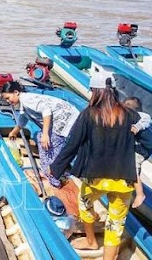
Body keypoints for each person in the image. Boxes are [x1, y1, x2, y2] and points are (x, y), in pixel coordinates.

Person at [50, 71, 137, 259]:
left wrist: (56, 168)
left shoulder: (89, 115)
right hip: (124, 181)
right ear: (113, 91)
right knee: (115, 225)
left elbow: (72, 144)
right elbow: (150, 142)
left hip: (95, 178)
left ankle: (91, 241)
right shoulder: (130, 115)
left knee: (85, 204)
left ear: (96, 92)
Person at [0, 81, 80, 187]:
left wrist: (46, 134)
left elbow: (46, 111)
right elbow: (23, 118)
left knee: (52, 142)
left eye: (8, 98)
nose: (8, 101)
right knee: (40, 137)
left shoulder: (27, 99)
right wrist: (14, 132)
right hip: (64, 116)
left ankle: (55, 175)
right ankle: (48, 169)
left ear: (16, 92)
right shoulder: (24, 102)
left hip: (65, 118)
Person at [121, 96, 152, 208]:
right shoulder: (128, 118)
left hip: (143, 147)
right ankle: (132, 183)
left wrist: (137, 127)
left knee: (132, 167)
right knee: (133, 163)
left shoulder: (141, 117)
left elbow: (146, 119)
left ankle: (140, 194)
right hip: (143, 146)